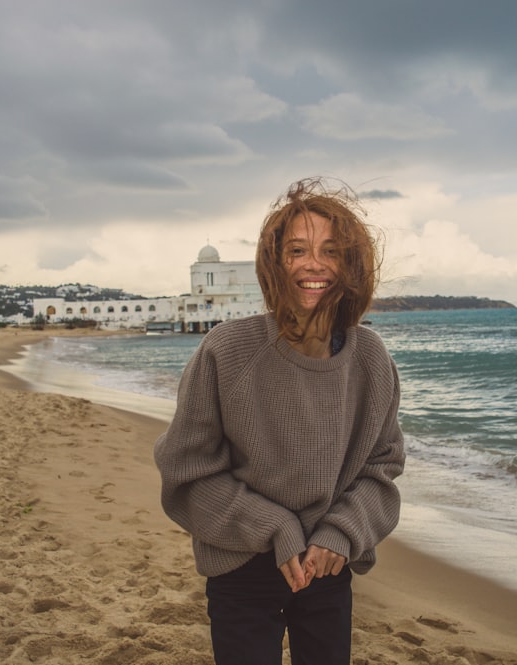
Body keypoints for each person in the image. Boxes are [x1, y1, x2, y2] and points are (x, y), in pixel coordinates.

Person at [153, 177, 405, 665]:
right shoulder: (226, 351)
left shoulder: (370, 358)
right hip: (241, 562)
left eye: (331, 252)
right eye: (297, 251)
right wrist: (274, 528)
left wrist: (341, 533)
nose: (314, 264)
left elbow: (383, 465)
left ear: (351, 266)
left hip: (329, 563)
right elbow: (186, 471)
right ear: (274, 262)